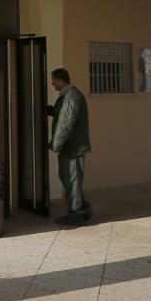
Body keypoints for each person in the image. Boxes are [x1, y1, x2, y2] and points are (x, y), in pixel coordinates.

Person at [48, 68, 92, 226]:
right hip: (72, 147)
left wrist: (56, 144)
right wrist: (48, 110)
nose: (52, 83)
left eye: (54, 80)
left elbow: (65, 123)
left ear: (61, 80)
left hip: (73, 148)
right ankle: (84, 211)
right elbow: (62, 114)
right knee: (70, 179)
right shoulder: (68, 96)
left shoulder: (71, 97)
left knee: (71, 181)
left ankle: (76, 215)